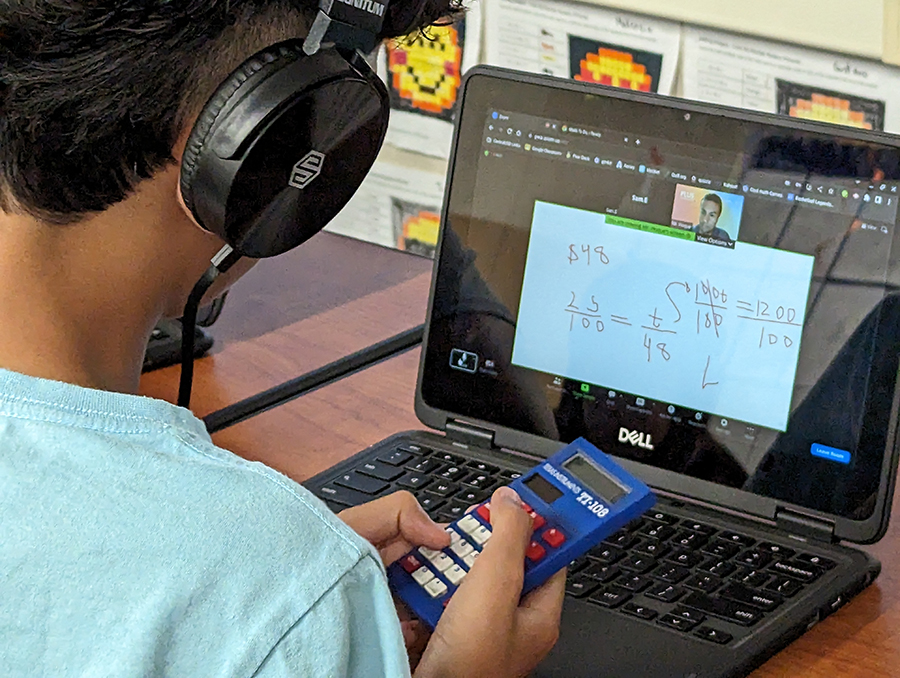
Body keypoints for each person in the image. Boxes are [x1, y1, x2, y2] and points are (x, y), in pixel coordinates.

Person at [0, 2, 564, 676]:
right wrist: (299, 601)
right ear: (246, 139)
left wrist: (293, 598)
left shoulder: (265, 576)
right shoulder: (271, 575)